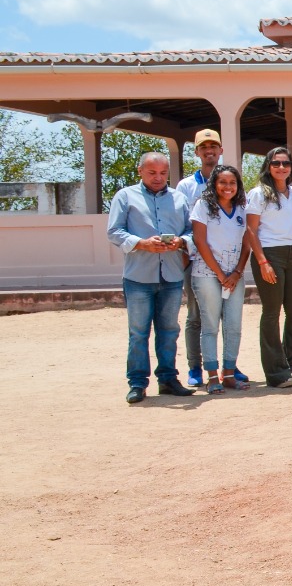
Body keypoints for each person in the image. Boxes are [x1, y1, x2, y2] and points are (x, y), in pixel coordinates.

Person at [107, 152, 195, 404]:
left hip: (171, 275)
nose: (158, 178)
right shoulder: (125, 197)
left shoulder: (179, 199)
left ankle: (167, 379)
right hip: (138, 277)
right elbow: (114, 231)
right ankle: (137, 383)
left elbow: (191, 231)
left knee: (169, 330)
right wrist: (141, 243)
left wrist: (182, 241)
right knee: (138, 332)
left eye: (163, 173)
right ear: (140, 171)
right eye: (152, 173)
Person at [245, 146, 292, 388]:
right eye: (276, 164)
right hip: (269, 254)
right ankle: (275, 372)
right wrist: (262, 261)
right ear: (268, 167)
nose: (281, 167)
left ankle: (291, 362)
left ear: (291, 166)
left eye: (286, 163)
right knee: (272, 313)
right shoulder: (258, 194)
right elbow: (251, 230)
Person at [189, 164, 252, 393]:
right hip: (208, 273)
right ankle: (212, 376)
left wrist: (236, 272)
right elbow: (200, 241)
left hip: (234, 275)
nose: (228, 187)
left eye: (232, 183)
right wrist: (220, 273)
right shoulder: (204, 206)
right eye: (223, 182)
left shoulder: (242, 209)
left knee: (234, 326)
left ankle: (229, 373)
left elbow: (247, 242)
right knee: (210, 326)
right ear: (214, 184)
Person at [175, 128, 226, 387]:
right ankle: (195, 367)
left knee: (226, 316)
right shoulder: (186, 186)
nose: (209, 151)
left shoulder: (228, 180)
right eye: (204, 147)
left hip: (226, 262)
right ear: (197, 152)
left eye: (213, 146)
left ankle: (228, 367)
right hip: (196, 261)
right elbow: (183, 224)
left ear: (221, 150)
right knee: (196, 315)